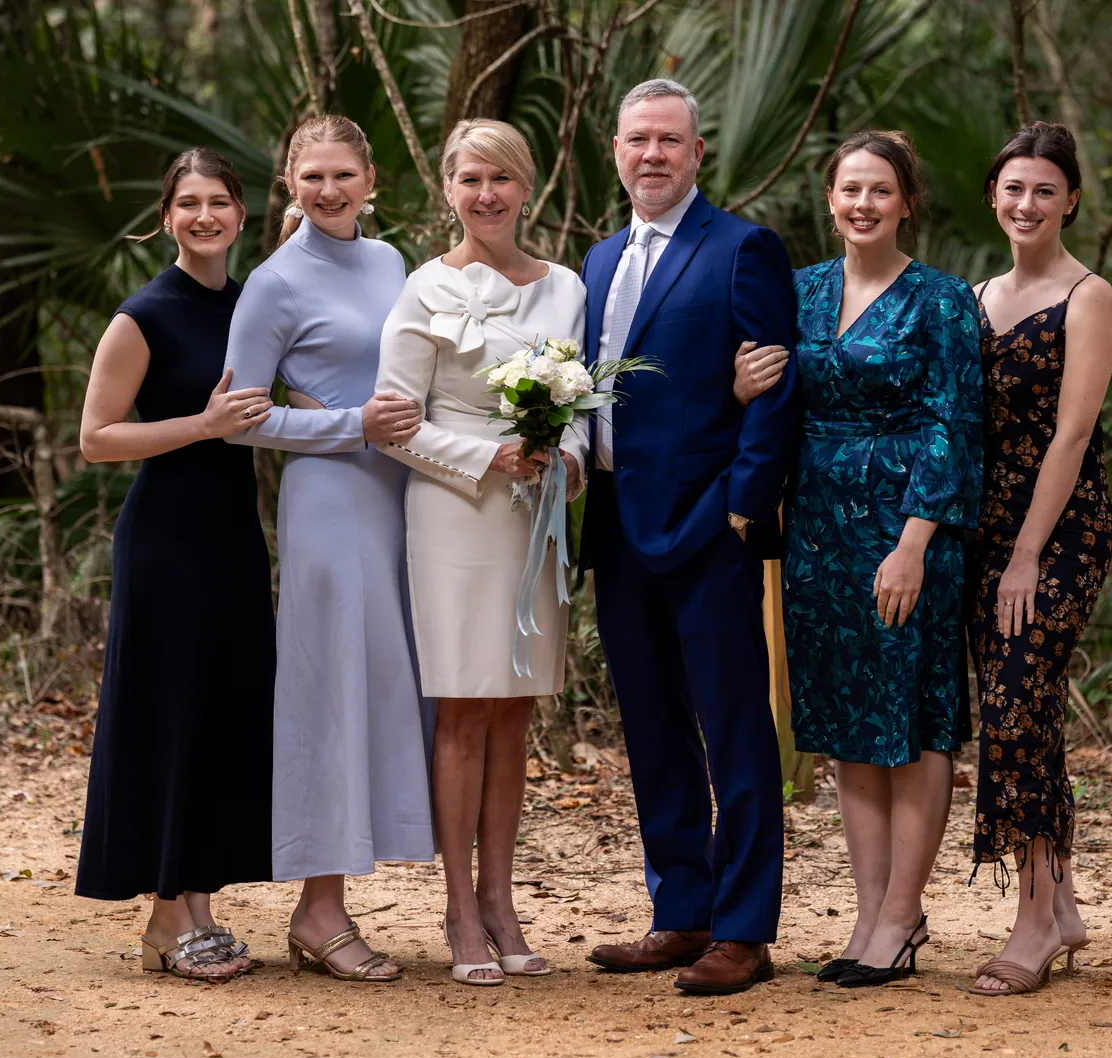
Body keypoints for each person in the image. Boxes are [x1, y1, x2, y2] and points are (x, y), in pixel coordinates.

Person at [742, 130, 983, 990]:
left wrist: (915, 542)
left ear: (907, 202)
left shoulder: (943, 300)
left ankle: (901, 916)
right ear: (830, 197)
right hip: (816, 531)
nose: (863, 205)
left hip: (903, 528)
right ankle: (868, 908)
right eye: (850, 189)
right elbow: (768, 395)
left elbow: (955, 427)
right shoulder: (798, 291)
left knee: (911, 721)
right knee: (849, 727)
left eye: (880, 191)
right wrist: (743, 387)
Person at [581, 79, 799, 996]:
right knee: (652, 729)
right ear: (617, 151)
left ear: (698, 152)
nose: (654, 154)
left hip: (709, 527)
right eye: (638, 140)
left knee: (735, 727)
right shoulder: (593, 263)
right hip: (615, 529)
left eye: (671, 140)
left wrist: (742, 506)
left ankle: (744, 930)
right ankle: (682, 912)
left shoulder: (741, 248)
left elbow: (776, 382)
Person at [221, 114, 433, 984]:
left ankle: (334, 899)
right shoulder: (273, 281)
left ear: (370, 178)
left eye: (343, 175)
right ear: (290, 183)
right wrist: (352, 426)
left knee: (386, 690)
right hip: (328, 503)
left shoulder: (390, 263)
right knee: (331, 688)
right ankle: (317, 908)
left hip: (402, 498)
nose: (329, 190)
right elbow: (237, 418)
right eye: (312, 177)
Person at [374, 119, 585, 986]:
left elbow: (586, 396)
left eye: (500, 178)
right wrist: (483, 455)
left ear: (526, 187)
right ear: (449, 191)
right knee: (464, 709)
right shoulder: (425, 287)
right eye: (470, 179)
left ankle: (502, 899)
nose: (486, 194)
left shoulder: (565, 286)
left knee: (516, 710)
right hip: (458, 510)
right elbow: (391, 421)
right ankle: (459, 907)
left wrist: (567, 459)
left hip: (535, 514)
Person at [75, 149, 273, 982]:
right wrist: (200, 424)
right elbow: (95, 438)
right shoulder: (142, 315)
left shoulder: (255, 305)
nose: (204, 216)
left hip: (233, 536)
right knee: (169, 717)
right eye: (187, 203)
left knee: (220, 717)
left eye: (218, 202)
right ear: (167, 218)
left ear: (239, 214)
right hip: (166, 542)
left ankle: (197, 904)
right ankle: (163, 914)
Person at [965, 121, 1112, 996]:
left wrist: (1027, 555)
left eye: (1045, 191)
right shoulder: (978, 294)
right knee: (1026, 708)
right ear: (995, 196)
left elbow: (1072, 435)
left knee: (1019, 703)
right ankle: (1057, 901)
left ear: (1070, 203)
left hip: (1058, 534)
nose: (1027, 204)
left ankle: (1031, 922)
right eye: (1014, 188)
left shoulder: (1086, 294)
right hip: (985, 531)